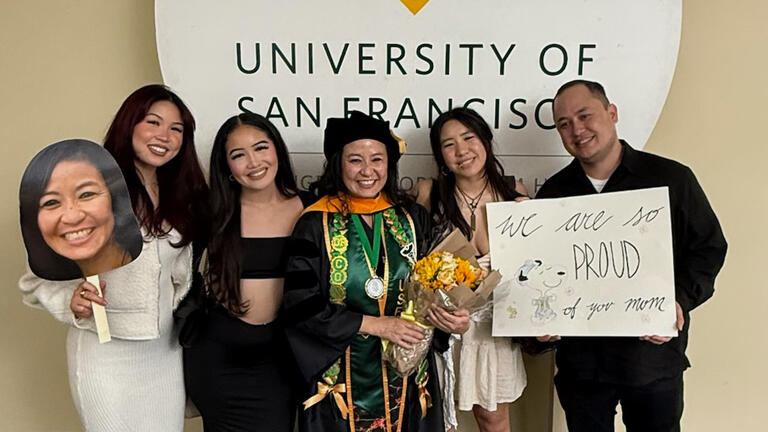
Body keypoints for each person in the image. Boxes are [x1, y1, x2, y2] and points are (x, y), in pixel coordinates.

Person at [536, 79, 727, 432]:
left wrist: (678, 300)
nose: (576, 130)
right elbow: (539, 274)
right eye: (564, 124)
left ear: (612, 113)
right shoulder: (552, 194)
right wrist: (536, 323)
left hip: (650, 359)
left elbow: (708, 249)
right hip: (582, 367)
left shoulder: (671, 178)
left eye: (584, 115)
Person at [18, 84, 210, 431]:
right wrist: (70, 301)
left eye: (176, 128)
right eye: (153, 122)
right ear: (129, 124)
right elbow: (35, 277)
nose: (164, 135)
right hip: (106, 352)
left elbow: (181, 274)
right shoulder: (89, 188)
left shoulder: (180, 195)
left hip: (164, 352)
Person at [282, 110, 469, 432]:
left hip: (408, 372)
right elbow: (300, 305)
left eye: (377, 159)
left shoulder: (412, 218)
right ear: (339, 163)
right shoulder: (314, 223)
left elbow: (434, 290)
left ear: (390, 164)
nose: (367, 171)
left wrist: (453, 318)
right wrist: (377, 325)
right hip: (340, 380)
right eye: (356, 160)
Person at [183, 112, 315, 431]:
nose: (253, 162)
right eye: (238, 155)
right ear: (227, 167)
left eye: (260, 148)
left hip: (281, 360)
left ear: (277, 150)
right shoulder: (212, 213)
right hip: (220, 360)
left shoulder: (312, 207)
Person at [414, 107, 528, 432]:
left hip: (496, 327)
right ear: (440, 155)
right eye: (449, 144)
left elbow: (532, 271)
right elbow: (414, 263)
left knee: (493, 419)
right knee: (440, 419)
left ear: (485, 140)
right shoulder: (429, 192)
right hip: (444, 327)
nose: (462, 151)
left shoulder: (513, 190)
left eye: (468, 137)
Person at [20, 139, 142, 281]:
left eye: (87, 194)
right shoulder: (47, 285)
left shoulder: (157, 255)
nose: (73, 217)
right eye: (51, 202)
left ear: (115, 199)